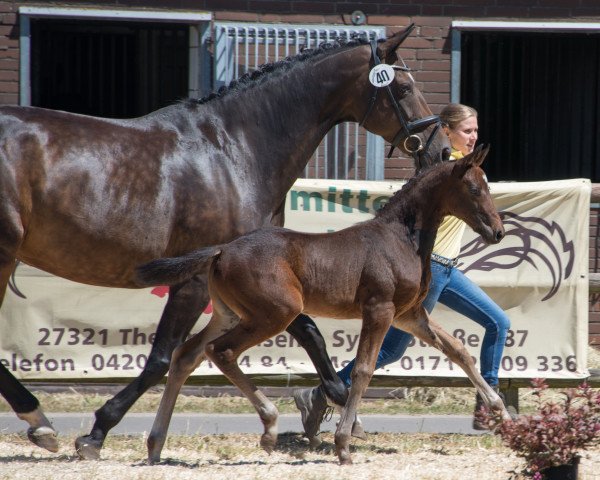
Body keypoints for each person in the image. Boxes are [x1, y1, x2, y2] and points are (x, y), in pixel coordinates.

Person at [293, 103, 512, 445]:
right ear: (447, 131)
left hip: (449, 268)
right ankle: (324, 392)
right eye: (467, 130)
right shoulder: (446, 167)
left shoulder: (468, 168)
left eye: (476, 131)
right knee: (392, 349)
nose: (473, 137)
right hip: (427, 267)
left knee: (498, 322)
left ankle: (489, 407)